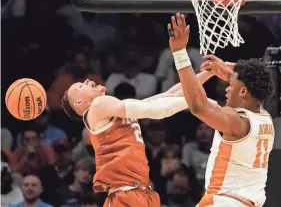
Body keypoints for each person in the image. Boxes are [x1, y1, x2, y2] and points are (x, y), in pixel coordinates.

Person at [61, 55, 218, 206]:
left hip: (142, 191)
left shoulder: (114, 111)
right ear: (80, 102)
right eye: (80, 86)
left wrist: (210, 72)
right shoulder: (97, 106)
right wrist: (199, 102)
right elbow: (154, 110)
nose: (87, 80)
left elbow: (169, 95)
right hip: (126, 195)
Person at [168, 13, 275, 207]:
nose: (226, 87)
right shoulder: (264, 117)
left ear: (243, 91)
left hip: (225, 201)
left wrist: (179, 54)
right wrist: (232, 74)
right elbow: (254, 81)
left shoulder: (237, 121)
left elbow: (198, 106)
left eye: (230, 84)